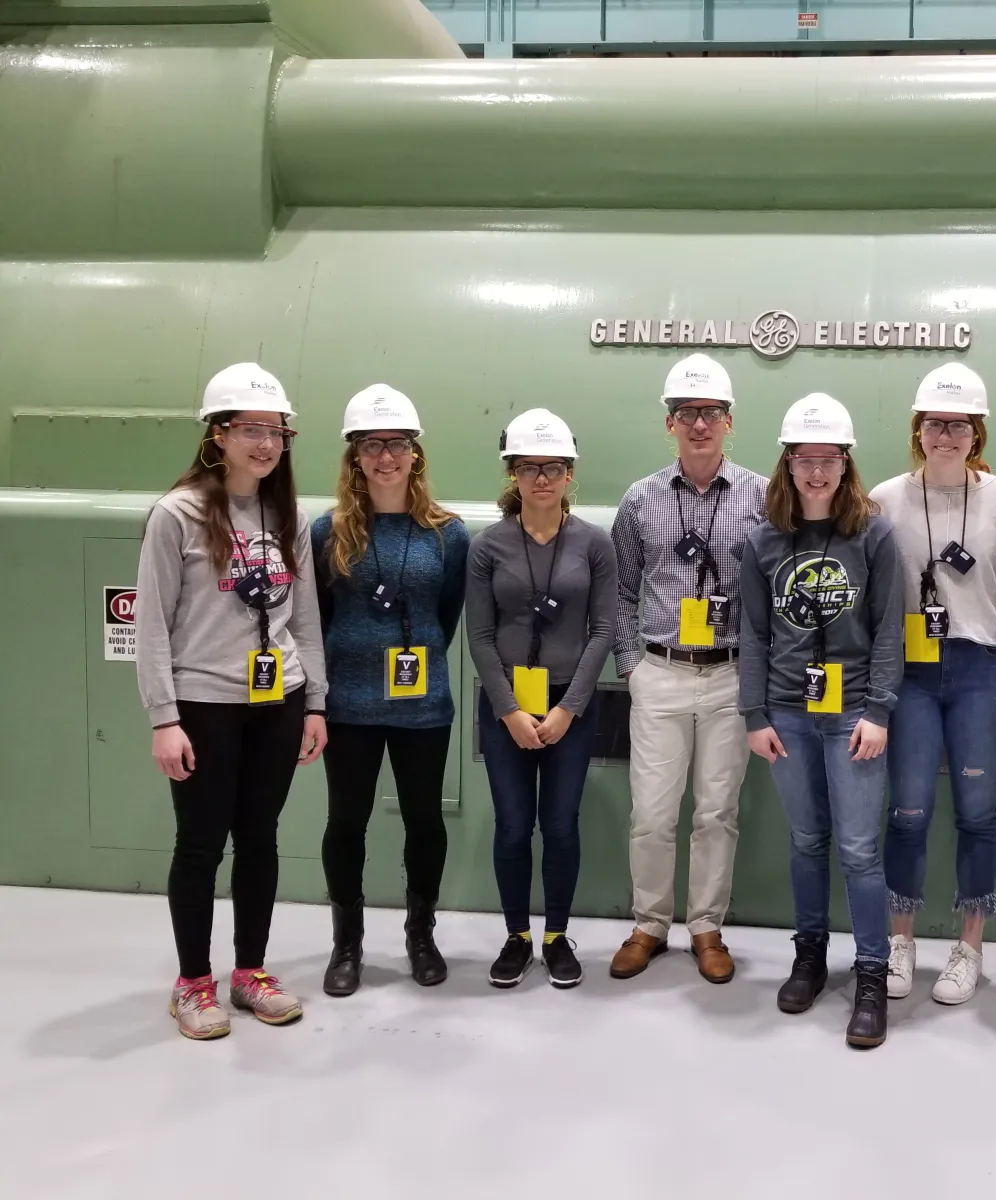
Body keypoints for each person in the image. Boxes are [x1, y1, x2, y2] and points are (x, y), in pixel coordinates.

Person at [135, 362, 328, 1041]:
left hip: (277, 704)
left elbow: (303, 619)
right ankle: (193, 983)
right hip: (205, 704)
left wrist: (315, 705)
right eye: (250, 429)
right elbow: (152, 624)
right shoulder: (177, 514)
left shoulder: (288, 514)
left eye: (277, 431)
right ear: (216, 435)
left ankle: (250, 972)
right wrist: (165, 719)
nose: (266, 444)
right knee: (200, 843)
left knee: (260, 837)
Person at [740, 393, 904, 1049]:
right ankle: (809, 954)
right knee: (807, 841)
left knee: (860, 850)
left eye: (828, 459)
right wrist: (755, 713)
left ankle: (870, 972)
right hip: (786, 712)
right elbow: (752, 633)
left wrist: (880, 710)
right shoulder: (763, 540)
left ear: (845, 463)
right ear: (787, 463)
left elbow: (889, 628)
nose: (816, 472)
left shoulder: (875, 533)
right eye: (804, 460)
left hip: (854, 714)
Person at [868, 363, 996, 1005]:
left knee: (977, 812)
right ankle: (900, 942)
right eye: (935, 423)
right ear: (918, 429)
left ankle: (969, 949)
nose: (946, 435)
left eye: (959, 425)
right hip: (909, 672)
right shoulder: (884, 499)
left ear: (976, 434)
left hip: (980, 669)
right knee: (908, 810)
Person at [609, 354, 767, 984]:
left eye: (710, 413)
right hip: (661, 672)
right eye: (685, 414)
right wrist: (632, 665)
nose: (698, 424)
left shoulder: (760, 495)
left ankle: (706, 927)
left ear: (729, 421)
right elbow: (621, 593)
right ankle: (649, 924)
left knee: (716, 812)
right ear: (668, 424)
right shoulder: (639, 499)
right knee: (651, 811)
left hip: (730, 675)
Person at [312, 385, 470, 996]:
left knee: (425, 822)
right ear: (355, 454)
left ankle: (420, 934)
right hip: (347, 707)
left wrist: (418, 660)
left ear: (415, 453)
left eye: (398, 444)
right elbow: (318, 619)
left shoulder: (447, 534)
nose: (386, 456)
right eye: (373, 445)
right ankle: (346, 943)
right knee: (345, 824)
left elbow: (446, 615)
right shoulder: (328, 531)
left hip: (422, 707)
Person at [466, 408, 617, 990]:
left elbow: (603, 631)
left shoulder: (592, 544)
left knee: (560, 824)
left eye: (552, 467)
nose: (541, 479)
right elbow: (479, 636)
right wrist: (508, 711)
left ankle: (555, 935)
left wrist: (566, 709)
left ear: (569, 473)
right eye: (528, 468)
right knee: (511, 825)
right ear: (513, 474)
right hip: (505, 705)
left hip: (569, 708)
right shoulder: (489, 547)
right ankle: (516, 936)